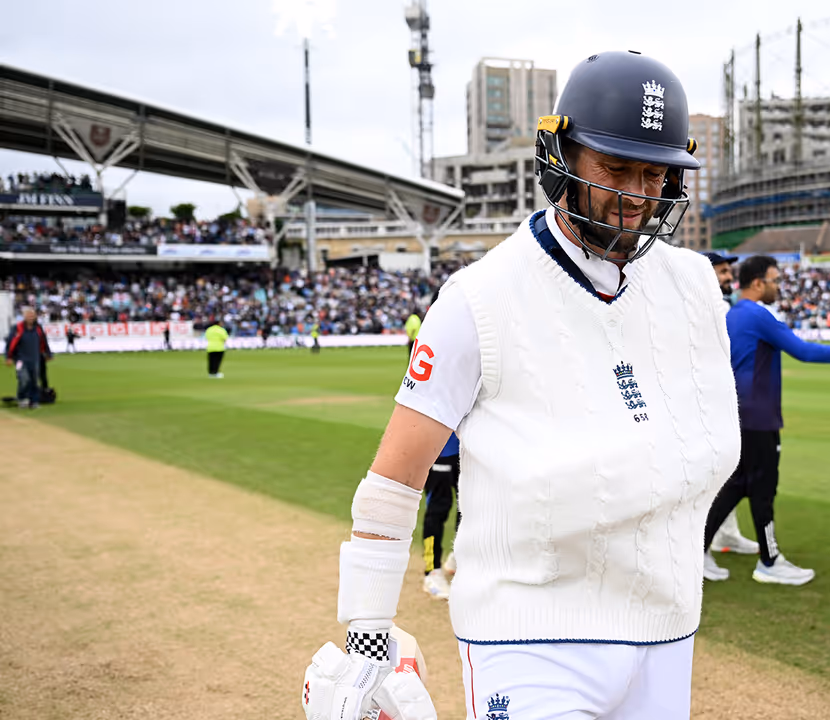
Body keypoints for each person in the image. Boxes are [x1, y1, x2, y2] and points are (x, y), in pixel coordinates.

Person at [302, 51, 740, 720]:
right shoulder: (477, 298)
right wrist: (367, 635)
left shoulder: (693, 285)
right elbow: (392, 482)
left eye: (656, 173)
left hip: (665, 623)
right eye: (615, 167)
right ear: (559, 153)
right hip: (528, 635)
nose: (638, 193)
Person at [702, 254, 830, 586]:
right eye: (775, 280)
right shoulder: (757, 315)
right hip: (759, 417)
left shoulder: (734, 314)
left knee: (736, 488)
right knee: (762, 490)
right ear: (759, 282)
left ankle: (695, 553)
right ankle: (770, 561)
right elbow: (803, 350)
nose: (779, 287)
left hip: (740, 414)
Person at [701, 250, 759, 557]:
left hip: (723, 399)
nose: (728, 277)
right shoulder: (702, 306)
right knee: (710, 475)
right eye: (722, 271)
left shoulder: (724, 306)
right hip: (704, 402)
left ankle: (727, 535)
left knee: (728, 468)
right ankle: (701, 547)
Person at [420, 430, 461, 601]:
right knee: (437, 510)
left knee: (470, 507)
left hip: (468, 449)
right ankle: (432, 571)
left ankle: (458, 555)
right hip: (439, 449)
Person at [5, 307, 52, 409]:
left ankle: (34, 400)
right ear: (24, 316)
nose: (31, 317)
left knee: (34, 380)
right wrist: (8, 357)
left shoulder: (38, 328)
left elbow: (44, 341)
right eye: (29, 315)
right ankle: (22, 398)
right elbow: (10, 343)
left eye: (32, 315)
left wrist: (48, 353)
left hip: (35, 358)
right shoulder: (17, 328)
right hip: (20, 359)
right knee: (24, 379)